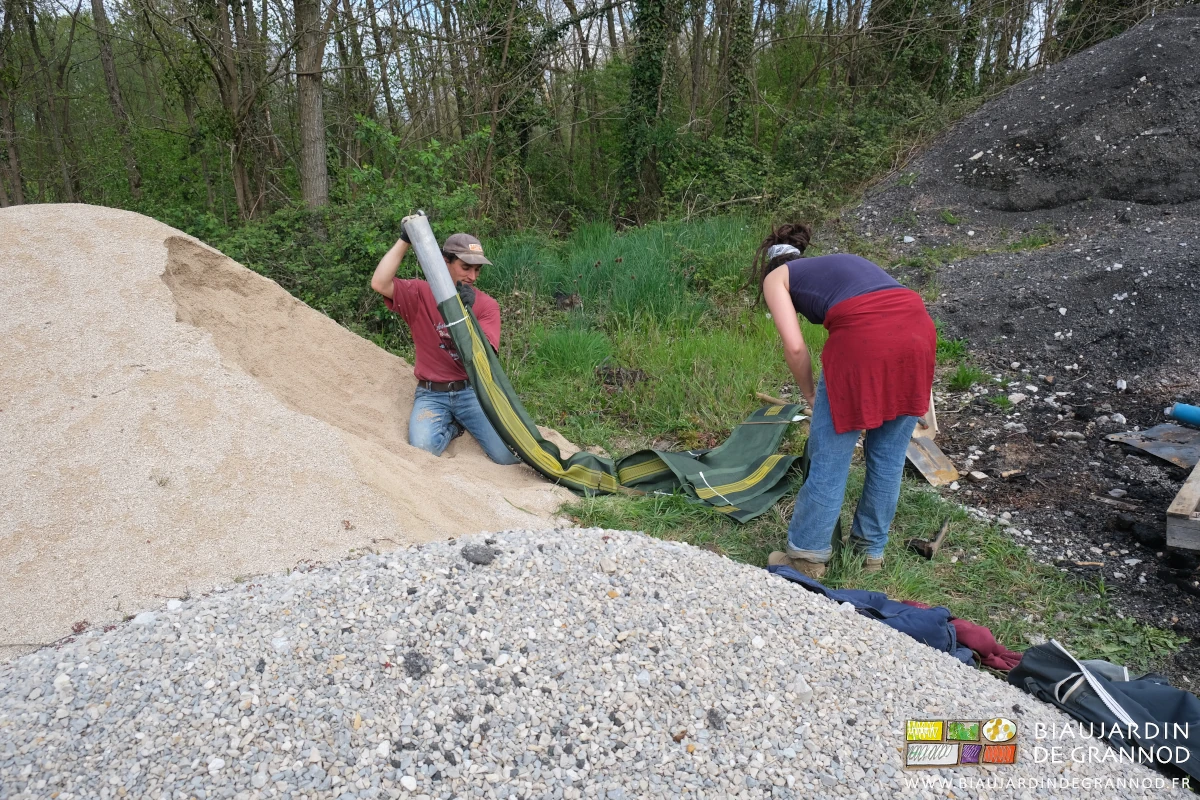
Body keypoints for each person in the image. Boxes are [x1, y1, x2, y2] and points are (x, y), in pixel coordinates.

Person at [755, 223, 936, 578]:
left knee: (831, 454)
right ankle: (869, 553)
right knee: (887, 458)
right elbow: (896, 310)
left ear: (771, 266)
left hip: (864, 338)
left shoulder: (777, 278)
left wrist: (809, 393)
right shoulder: (841, 265)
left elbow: (794, 346)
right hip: (918, 333)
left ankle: (806, 557)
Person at [370, 229, 521, 465]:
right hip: (431, 394)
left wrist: (466, 313)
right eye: (465, 267)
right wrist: (405, 239)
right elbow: (380, 283)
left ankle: (463, 419)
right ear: (445, 262)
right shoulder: (420, 294)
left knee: (506, 455)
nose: (473, 276)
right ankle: (452, 428)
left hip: (472, 392)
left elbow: (484, 356)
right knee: (423, 448)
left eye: (477, 270)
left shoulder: (486, 306)